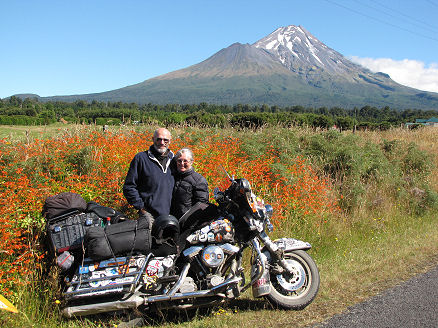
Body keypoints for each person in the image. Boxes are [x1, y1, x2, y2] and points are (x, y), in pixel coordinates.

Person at [123, 128, 174, 224]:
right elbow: (129, 187)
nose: (162, 142)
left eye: (165, 140)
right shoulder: (141, 158)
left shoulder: (174, 161)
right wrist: (141, 208)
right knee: (148, 239)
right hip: (149, 216)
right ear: (153, 139)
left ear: (170, 141)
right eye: (158, 139)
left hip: (171, 216)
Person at [170, 148, 209, 220]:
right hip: (171, 219)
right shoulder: (172, 176)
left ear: (191, 162)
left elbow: (202, 205)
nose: (182, 163)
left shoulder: (198, 180)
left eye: (185, 161)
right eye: (179, 161)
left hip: (186, 222)